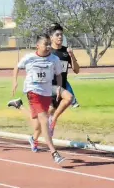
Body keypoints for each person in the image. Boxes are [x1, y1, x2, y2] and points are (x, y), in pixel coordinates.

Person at [12, 34, 66, 164]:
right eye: (45, 44)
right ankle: (54, 152)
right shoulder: (30, 58)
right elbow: (17, 67)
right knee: (45, 121)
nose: (48, 47)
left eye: (49, 44)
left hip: (46, 93)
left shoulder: (54, 59)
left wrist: (59, 88)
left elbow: (59, 75)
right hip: (33, 91)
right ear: (37, 45)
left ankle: (19, 106)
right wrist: (15, 82)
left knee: (37, 125)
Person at [47, 23, 78, 137]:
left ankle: (36, 137)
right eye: (57, 35)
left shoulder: (66, 52)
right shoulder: (48, 52)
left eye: (61, 35)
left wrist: (72, 56)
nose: (60, 37)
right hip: (50, 87)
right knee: (69, 98)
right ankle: (52, 122)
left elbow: (76, 70)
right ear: (51, 38)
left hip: (61, 86)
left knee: (50, 112)